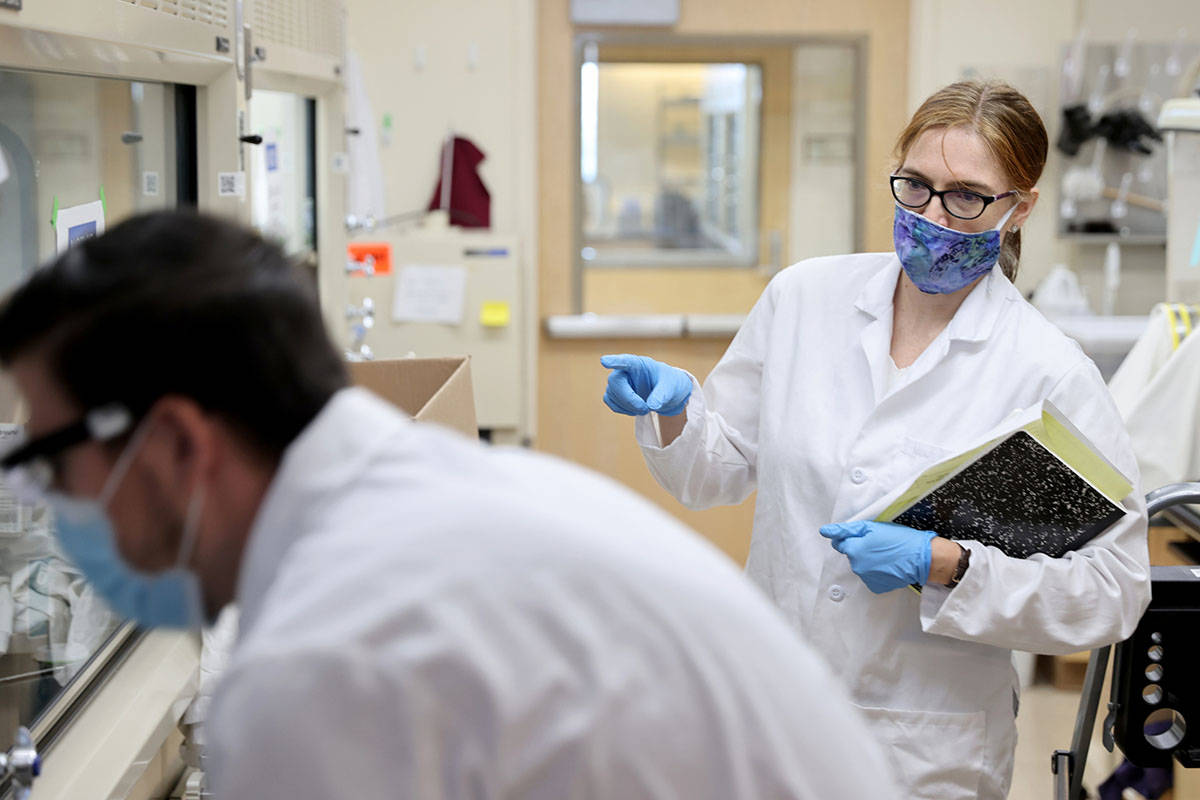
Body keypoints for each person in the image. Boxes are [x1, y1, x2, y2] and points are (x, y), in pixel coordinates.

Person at [0, 210, 900, 799]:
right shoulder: (439, 493)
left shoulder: (323, 652)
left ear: (175, 445)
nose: (47, 500)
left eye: (47, 458)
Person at [602, 80, 1152, 799]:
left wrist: (952, 565)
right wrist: (677, 413)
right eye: (916, 186)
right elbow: (716, 472)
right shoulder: (804, 300)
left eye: (965, 196)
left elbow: (1112, 592)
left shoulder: (1048, 372)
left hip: (926, 745)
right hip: (774, 707)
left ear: (1020, 207)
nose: (931, 215)